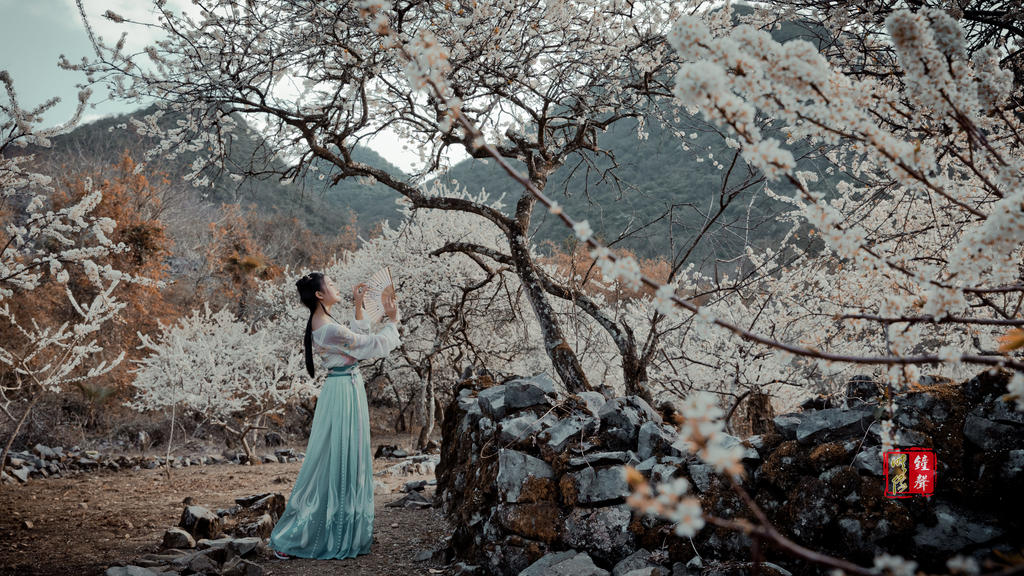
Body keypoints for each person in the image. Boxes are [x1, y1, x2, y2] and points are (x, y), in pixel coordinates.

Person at [269, 272, 401, 560]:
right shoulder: (327, 328)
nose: (336, 287)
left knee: (340, 456)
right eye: (330, 284)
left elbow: (358, 340)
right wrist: (392, 320)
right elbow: (368, 346)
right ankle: (312, 533)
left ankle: (339, 527)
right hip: (343, 392)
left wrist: (358, 305)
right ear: (319, 294)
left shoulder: (326, 323)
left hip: (345, 388)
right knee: (338, 457)